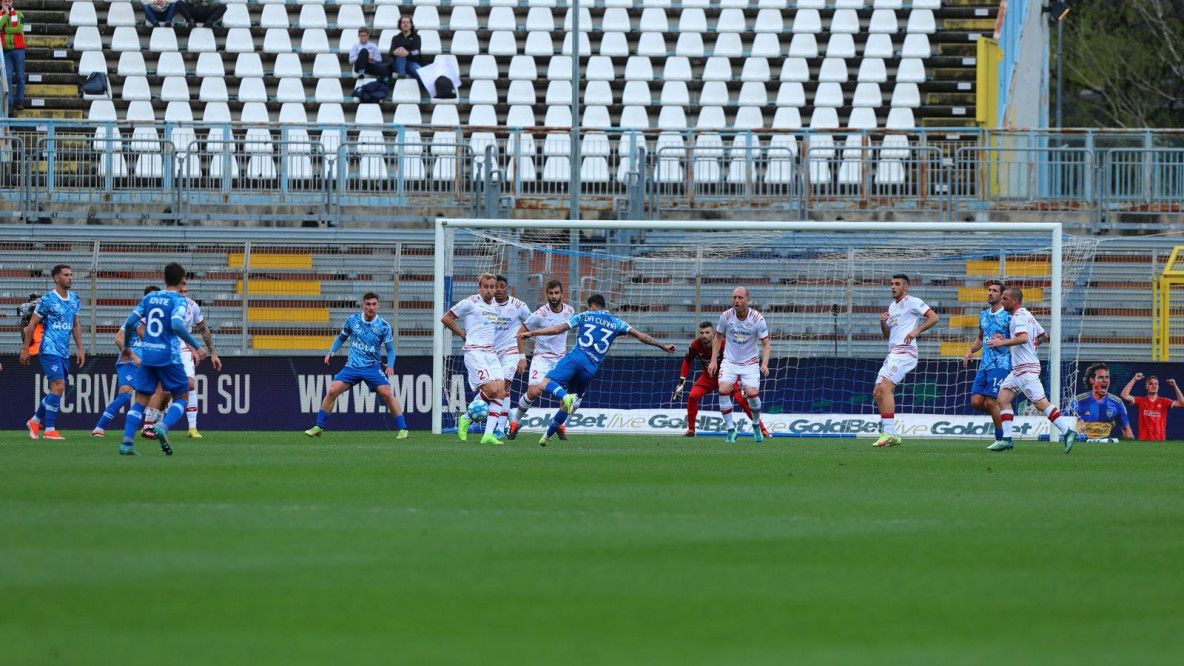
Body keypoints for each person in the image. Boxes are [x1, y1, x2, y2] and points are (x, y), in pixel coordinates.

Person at [517, 293, 677, 446]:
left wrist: (532, 333)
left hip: (575, 359)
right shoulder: (617, 323)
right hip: (590, 370)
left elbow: (557, 329)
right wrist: (663, 346)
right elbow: (642, 336)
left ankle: (565, 396)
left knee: (545, 383)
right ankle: (546, 437)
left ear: (592, 306)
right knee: (568, 407)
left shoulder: (585, 315)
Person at [116, 262, 206, 456]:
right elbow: (176, 325)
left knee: (140, 400)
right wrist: (197, 346)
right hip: (168, 355)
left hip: (148, 354)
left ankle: (127, 443)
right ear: (182, 281)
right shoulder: (180, 301)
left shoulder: (150, 298)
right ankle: (163, 427)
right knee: (182, 395)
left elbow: (131, 322)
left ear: (163, 279)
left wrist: (125, 348)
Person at [985, 286, 1077, 453]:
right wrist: (1024, 346)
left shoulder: (1018, 317)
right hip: (1019, 369)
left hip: (1026, 369)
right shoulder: (1027, 315)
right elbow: (1042, 335)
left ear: (1014, 301)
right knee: (1003, 398)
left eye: (1005, 299)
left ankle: (1068, 431)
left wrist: (1002, 342)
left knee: (1041, 403)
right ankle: (1006, 439)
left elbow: (1023, 338)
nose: (1002, 301)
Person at [304, 293, 407, 439]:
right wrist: (332, 351)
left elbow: (390, 350)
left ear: (378, 305)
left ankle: (403, 429)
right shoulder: (353, 320)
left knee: (387, 393)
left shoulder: (383, 325)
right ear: (363, 305)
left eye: (373, 304)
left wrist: (390, 364)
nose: (371, 307)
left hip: (372, 367)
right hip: (352, 367)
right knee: (332, 391)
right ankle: (318, 427)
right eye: (368, 304)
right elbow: (341, 338)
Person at [872, 274, 940, 447]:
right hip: (893, 352)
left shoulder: (913, 301)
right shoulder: (892, 307)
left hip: (906, 352)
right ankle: (892, 433)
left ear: (906, 287)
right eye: (891, 284)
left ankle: (888, 433)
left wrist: (917, 331)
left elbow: (934, 317)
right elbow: (888, 335)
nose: (893, 287)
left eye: (897, 284)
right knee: (877, 392)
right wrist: (883, 323)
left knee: (885, 388)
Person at [673, 321, 769, 439]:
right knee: (692, 396)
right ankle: (691, 430)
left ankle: (762, 429)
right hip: (709, 377)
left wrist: (742, 381)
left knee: (741, 400)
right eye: (701, 333)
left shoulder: (724, 343)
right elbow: (687, 361)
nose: (704, 335)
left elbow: (737, 361)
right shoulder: (695, 345)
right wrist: (681, 382)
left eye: (707, 332)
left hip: (729, 376)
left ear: (713, 333)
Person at [20, 265, 84, 441]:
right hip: (48, 349)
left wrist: (80, 348)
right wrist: (26, 349)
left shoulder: (75, 299)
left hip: (64, 351)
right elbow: (32, 325)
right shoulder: (47, 299)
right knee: (59, 385)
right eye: (66, 275)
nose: (70, 277)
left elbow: (76, 325)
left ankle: (34, 421)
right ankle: (49, 429)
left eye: (71, 274)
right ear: (56, 278)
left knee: (57, 389)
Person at [440, 272, 505, 445]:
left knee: (501, 391)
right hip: (474, 352)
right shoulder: (470, 303)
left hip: (491, 352)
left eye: (492, 287)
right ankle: (466, 419)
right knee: (491, 390)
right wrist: (462, 333)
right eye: (486, 287)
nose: (489, 290)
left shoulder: (497, 307)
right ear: (479, 287)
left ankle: (488, 435)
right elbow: (446, 318)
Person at [508, 280, 574, 440]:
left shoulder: (570, 311)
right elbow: (521, 333)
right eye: (551, 293)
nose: (554, 296)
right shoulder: (539, 315)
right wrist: (522, 357)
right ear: (547, 294)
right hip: (542, 358)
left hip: (560, 359)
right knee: (534, 391)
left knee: (567, 396)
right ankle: (515, 422)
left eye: (556, 293)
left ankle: (559, 426)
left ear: (562, 294)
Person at [708, 287, 771, 443]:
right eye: (734, 297)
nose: (736, 300)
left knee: (752, 394)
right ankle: (730, 430)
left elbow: (766, 343)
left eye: (740, 298)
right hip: (729, 361)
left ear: (747, 300)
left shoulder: (757, 319)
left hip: (750, 362)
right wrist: (714, 360)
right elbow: (717, 337)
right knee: (723, 390)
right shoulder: (726, 317)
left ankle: (756, 425)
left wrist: (764, 363)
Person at [91, 286, 156, 437]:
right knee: (126, 394)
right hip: (130, 362)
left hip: (147, 364)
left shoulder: (158, 321)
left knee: (154, 395)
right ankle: (99, 428)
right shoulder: (135, 318)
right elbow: (118, 338)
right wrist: (134, 357)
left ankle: (149, 428)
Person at [492, 275, 531, 438]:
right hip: (492, 353)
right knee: (497, 391)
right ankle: (513, 419)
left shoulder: (518, 306)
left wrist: (523, 354)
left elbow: (532, 323)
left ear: (507, 288)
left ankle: (500, 429)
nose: (499, 289)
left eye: (502, 286)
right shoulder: (487, 306)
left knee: (504, 386)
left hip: (511, 352)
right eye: (496, 287)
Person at [1069, 363, 1133, 442]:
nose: (1105, 380)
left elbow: (1127, 430)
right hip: (1082, 444)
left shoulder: (1117, 402)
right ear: (1092, 380)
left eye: (1107, 377)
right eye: (1100, 377)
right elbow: (1063, 423)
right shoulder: (1078, 401)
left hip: (1104, 446)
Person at [1120, 373, 1184, 441]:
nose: (1154, 385)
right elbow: (1124, 395)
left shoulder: (1164, 401)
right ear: (1146, 386)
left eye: (1156, 384)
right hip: (1143, 442)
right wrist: (1134, 379)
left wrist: (1175, 386)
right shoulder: (1141, 401)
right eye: (1151, 384)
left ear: (1158, 387)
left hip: (1159, 441)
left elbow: (1182, 403)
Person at [1, 0, 26, 113]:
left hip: (19, 49)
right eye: (5, 1)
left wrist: (5, 30)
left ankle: (19, 101)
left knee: (20, 76)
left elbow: (19, 29)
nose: (7, 3)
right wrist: (6, 15)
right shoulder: (1, 16)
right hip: (6, 51)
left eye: (9, 1)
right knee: (8, 77)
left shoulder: (19, 14)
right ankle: (10, 103)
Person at [387, 17, 422, 81]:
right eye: (403, 22)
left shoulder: (417, 37)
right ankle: (401, 74)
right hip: (398, 63)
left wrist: (408, 53)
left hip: (411, 62)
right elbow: (390, 52)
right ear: (400, 25)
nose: (405, 24)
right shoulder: (395, 38)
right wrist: (395, 52)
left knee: (421, 74)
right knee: (401, 49)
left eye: (408, 22)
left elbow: (417, 51)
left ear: (411, 25)